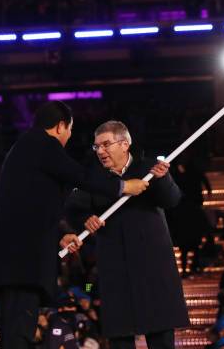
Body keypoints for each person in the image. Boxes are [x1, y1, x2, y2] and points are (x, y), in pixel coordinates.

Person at [0, 102, 148, 349]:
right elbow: (79, 174)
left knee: (17, 333)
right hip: (21, 266)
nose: (69, 137)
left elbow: (34, 207)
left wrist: (60, 235)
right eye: (69, 130)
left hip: (16, 263)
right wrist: (123, 186)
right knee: (18, 336)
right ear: (61, 126)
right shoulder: (42, 144)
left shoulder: (27, 150)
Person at [66, 120, 189, 349]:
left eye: (105, 145)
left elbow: (172, 200)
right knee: (120, 337)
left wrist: (163, 179)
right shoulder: (92, 178)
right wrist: (85, 219)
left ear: (124, 144)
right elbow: (73, 208)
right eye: (96, 147)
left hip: (154, 265)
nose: (100, 151)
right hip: (116, 267)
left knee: (161, 333)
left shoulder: (150, 169)